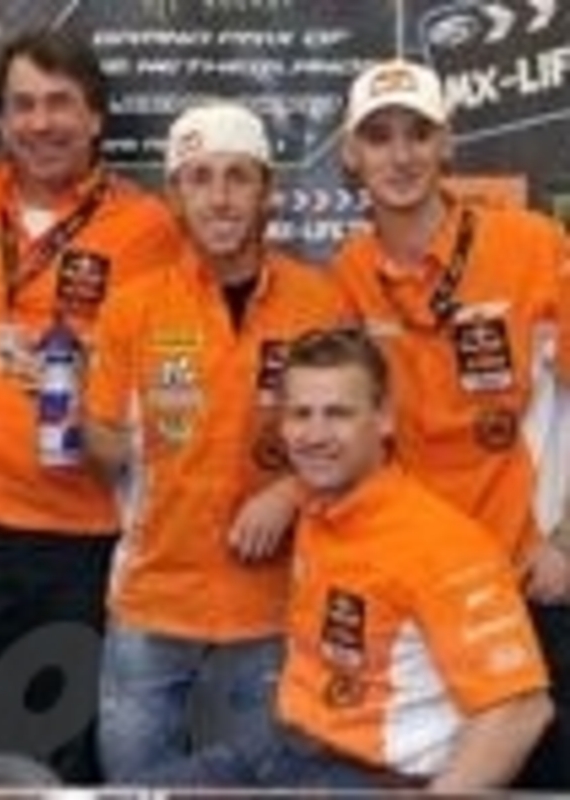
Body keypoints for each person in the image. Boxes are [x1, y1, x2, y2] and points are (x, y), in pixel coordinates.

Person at [235, 57, 570, 788]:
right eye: (378, 137)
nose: (400, 155)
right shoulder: (347, 275)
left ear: (446, 142)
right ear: (351, 156)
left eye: (417, 133)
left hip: (525, 576)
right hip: (411, 598)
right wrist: (287, 490)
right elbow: (340, 419)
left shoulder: (531, 245)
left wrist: (567, 540)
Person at [0, 28, 180, 784]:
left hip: (83, 537)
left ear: (96, 117)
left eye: (60, 103)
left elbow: (174, 366)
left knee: (60, 753)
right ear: (1, 118)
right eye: (22, 105)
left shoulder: (149, 227)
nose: (41, 122)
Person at [144, 327, 553, 791]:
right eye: (300, 414)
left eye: (338, 414)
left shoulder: (441, 545)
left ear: (384, 420)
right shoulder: (319, 504)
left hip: (371, 779)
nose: (315, 435)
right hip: (280, 748)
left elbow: (521, 711)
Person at [82, 99, 347, 782]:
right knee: (138, 793)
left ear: (268, 191)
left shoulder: (319, 302)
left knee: (260, 791)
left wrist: (288, 492)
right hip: (151, 601)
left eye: (238, 176)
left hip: (273, 608)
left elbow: (361, 443)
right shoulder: (132, 307)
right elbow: (102, 441)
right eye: (199, 178)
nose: (220, 198)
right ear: (174, 195)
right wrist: (107, 430)